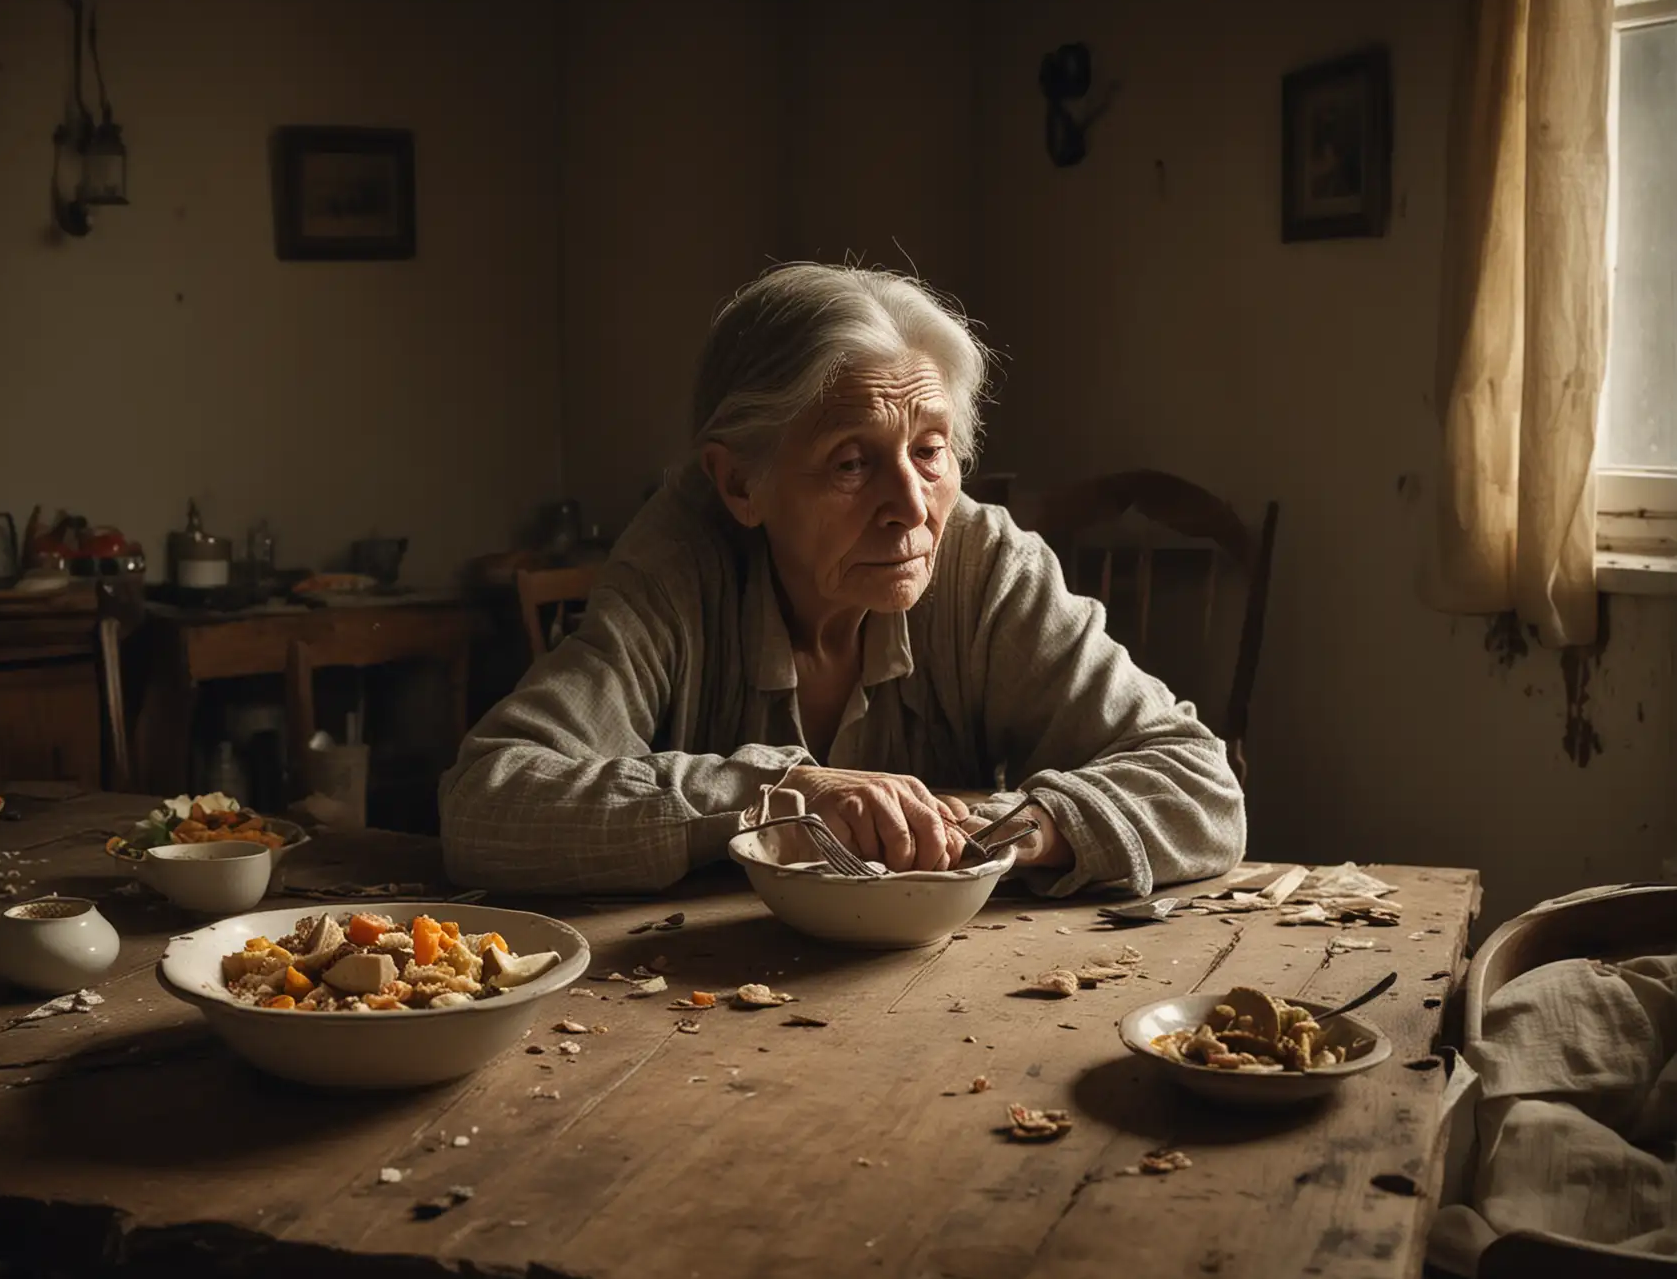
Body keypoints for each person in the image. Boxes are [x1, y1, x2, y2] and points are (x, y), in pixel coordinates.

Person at [439, 262, 1246, 896]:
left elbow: (1202, 786)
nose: (911, 507)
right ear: (740, 486)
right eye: (852, 462)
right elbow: (488, 804)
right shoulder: (678, 568)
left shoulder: (985, 561)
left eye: (931, 450)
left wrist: (1011, 828)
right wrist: (782, 795)